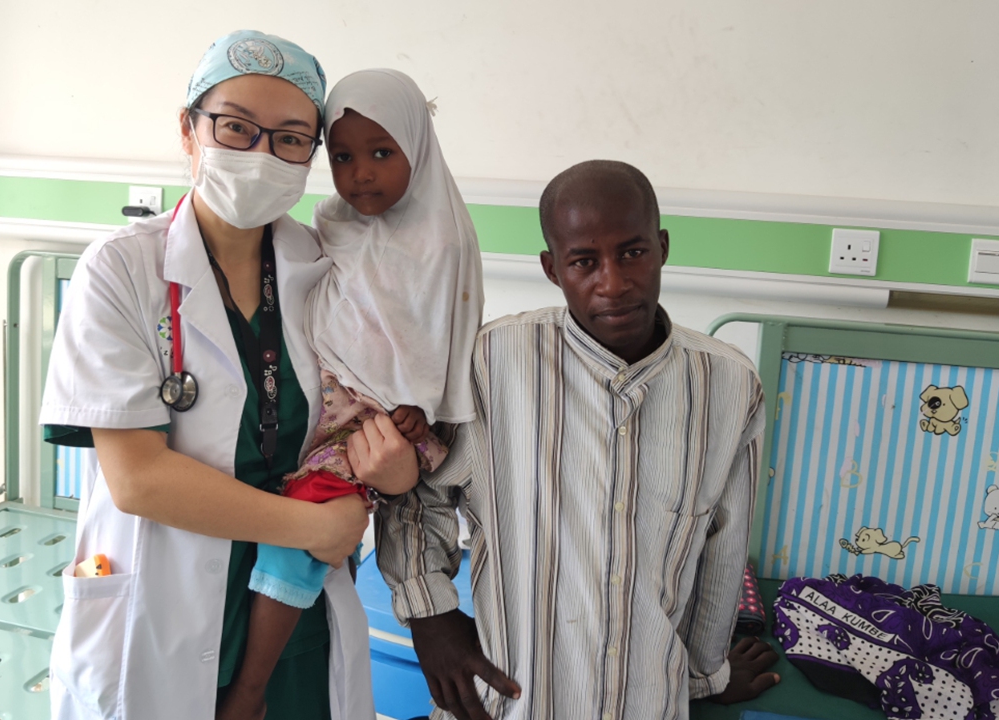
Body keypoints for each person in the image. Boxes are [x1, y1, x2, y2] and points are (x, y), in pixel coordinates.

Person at [39, 31, 418, 720]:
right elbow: (139, 480)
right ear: (189, 130)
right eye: (237, 127)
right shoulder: (120, 270)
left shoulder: (328, 269)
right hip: (162, 607)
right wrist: (313, 526)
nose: (261, 154)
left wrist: (393, 471)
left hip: (296, 619)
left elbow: (366, 421)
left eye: (291, 139)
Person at [376, 160, 781, 719]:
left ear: (662, 247)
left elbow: (722, 546)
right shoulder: (490, 365)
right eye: (584, 262)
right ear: (552, 268)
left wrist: (704, 675)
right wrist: (432, 618)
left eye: (633, 252)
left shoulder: (730, 386)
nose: (613, 283)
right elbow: (418, 496)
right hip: (512, 699)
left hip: (645, 702)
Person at [219, 68, 484, 719]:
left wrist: (415, 406)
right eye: (341, 157)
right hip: (322, 402)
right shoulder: (328, 224)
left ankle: (249, 687)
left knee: (302, 533)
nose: (360, 173)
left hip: (381, 423)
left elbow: (438, 338)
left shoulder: (440, 240)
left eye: (382, 153)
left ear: (417, 149)